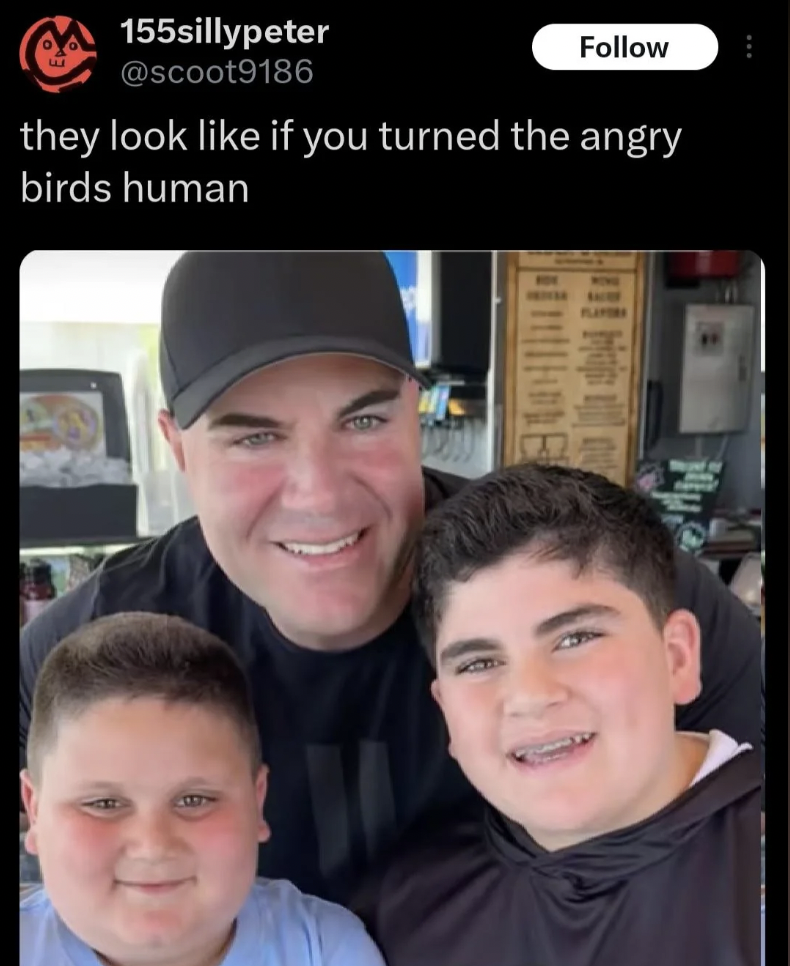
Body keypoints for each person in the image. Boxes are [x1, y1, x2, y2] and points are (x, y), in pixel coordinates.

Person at [19, 250, 763, 905]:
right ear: (176, 448)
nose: (318, 494)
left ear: (414, 411)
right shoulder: (81, 660)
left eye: (363, 421)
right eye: (253, 437)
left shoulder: (598, 595)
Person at [353, 463, 761, 966]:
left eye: (575, 638)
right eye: (480, 663)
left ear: (676, 657)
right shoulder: (403, 911)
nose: (529, 695)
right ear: (447, 713)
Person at [20, 611, 385, 966]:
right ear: (34, 810)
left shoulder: (324, 950)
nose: (153, 847)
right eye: (104, 803)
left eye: (193, 799)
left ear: (258, 802)